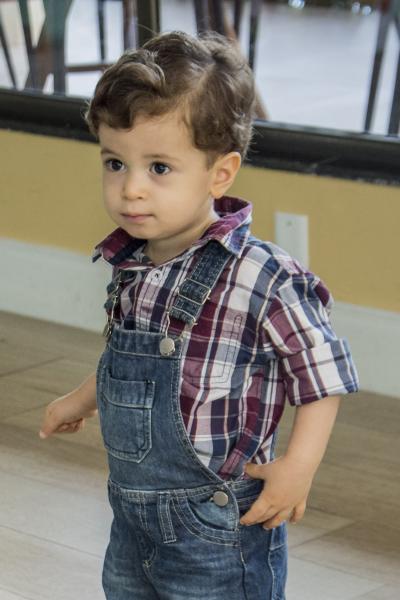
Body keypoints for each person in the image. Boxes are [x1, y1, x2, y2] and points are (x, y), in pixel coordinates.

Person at [39, 30, 359, 600]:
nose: (130, 189)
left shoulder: (261, 275)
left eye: (159, 168)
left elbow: (323, 373)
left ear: (220, 173)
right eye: (115, 162)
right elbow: (127, 361)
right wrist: (80, 399)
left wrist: (298, 466)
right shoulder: (132, 264)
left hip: (218, 526)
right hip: (131, 519)